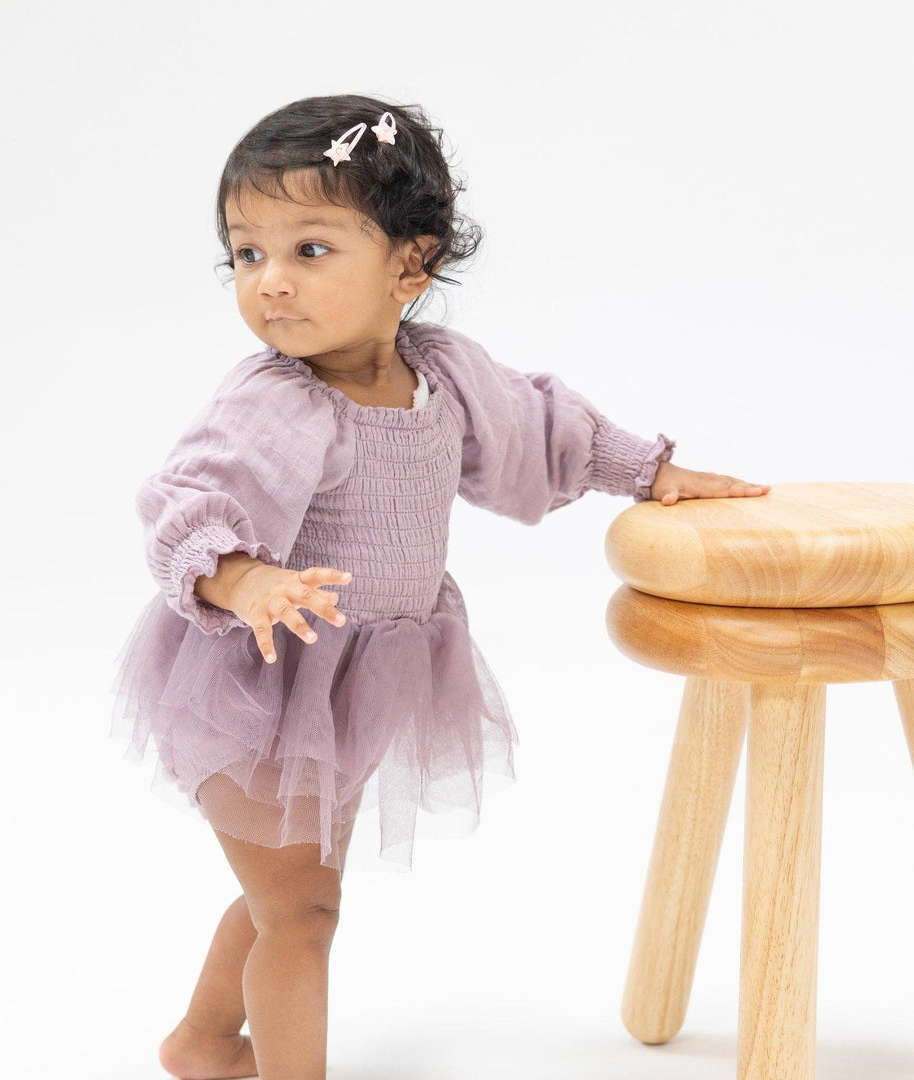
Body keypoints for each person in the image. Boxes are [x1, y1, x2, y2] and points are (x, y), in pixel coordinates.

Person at [108, 93, 770, 1080]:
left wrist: (645, 471)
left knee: (289, 894)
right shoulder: (278, 400)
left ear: (410, 265)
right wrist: (242, 580)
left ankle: (203, 1042)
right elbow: (187, 498)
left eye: (310, 251)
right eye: (247, 254)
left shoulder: (443, 378)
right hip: (260, 681)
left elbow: (543, 428)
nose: (271, 285)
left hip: (359, 685)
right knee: (305, 911)